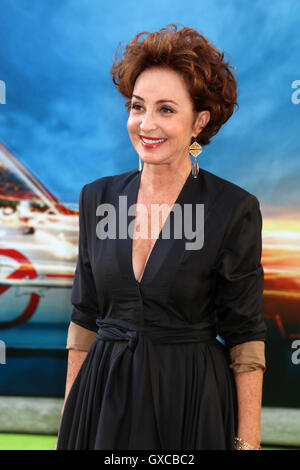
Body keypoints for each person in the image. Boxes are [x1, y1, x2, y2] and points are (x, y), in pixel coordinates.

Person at [56, 24, 266, 450]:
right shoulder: (97, 198)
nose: (146, 124)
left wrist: (248, 441)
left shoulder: (233, 209)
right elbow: (84, 319)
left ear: (199, 122)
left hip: (189, 401)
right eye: (138, 106)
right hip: (101, 401)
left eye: (166, 109)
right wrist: (71, 418)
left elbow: (244, 337)